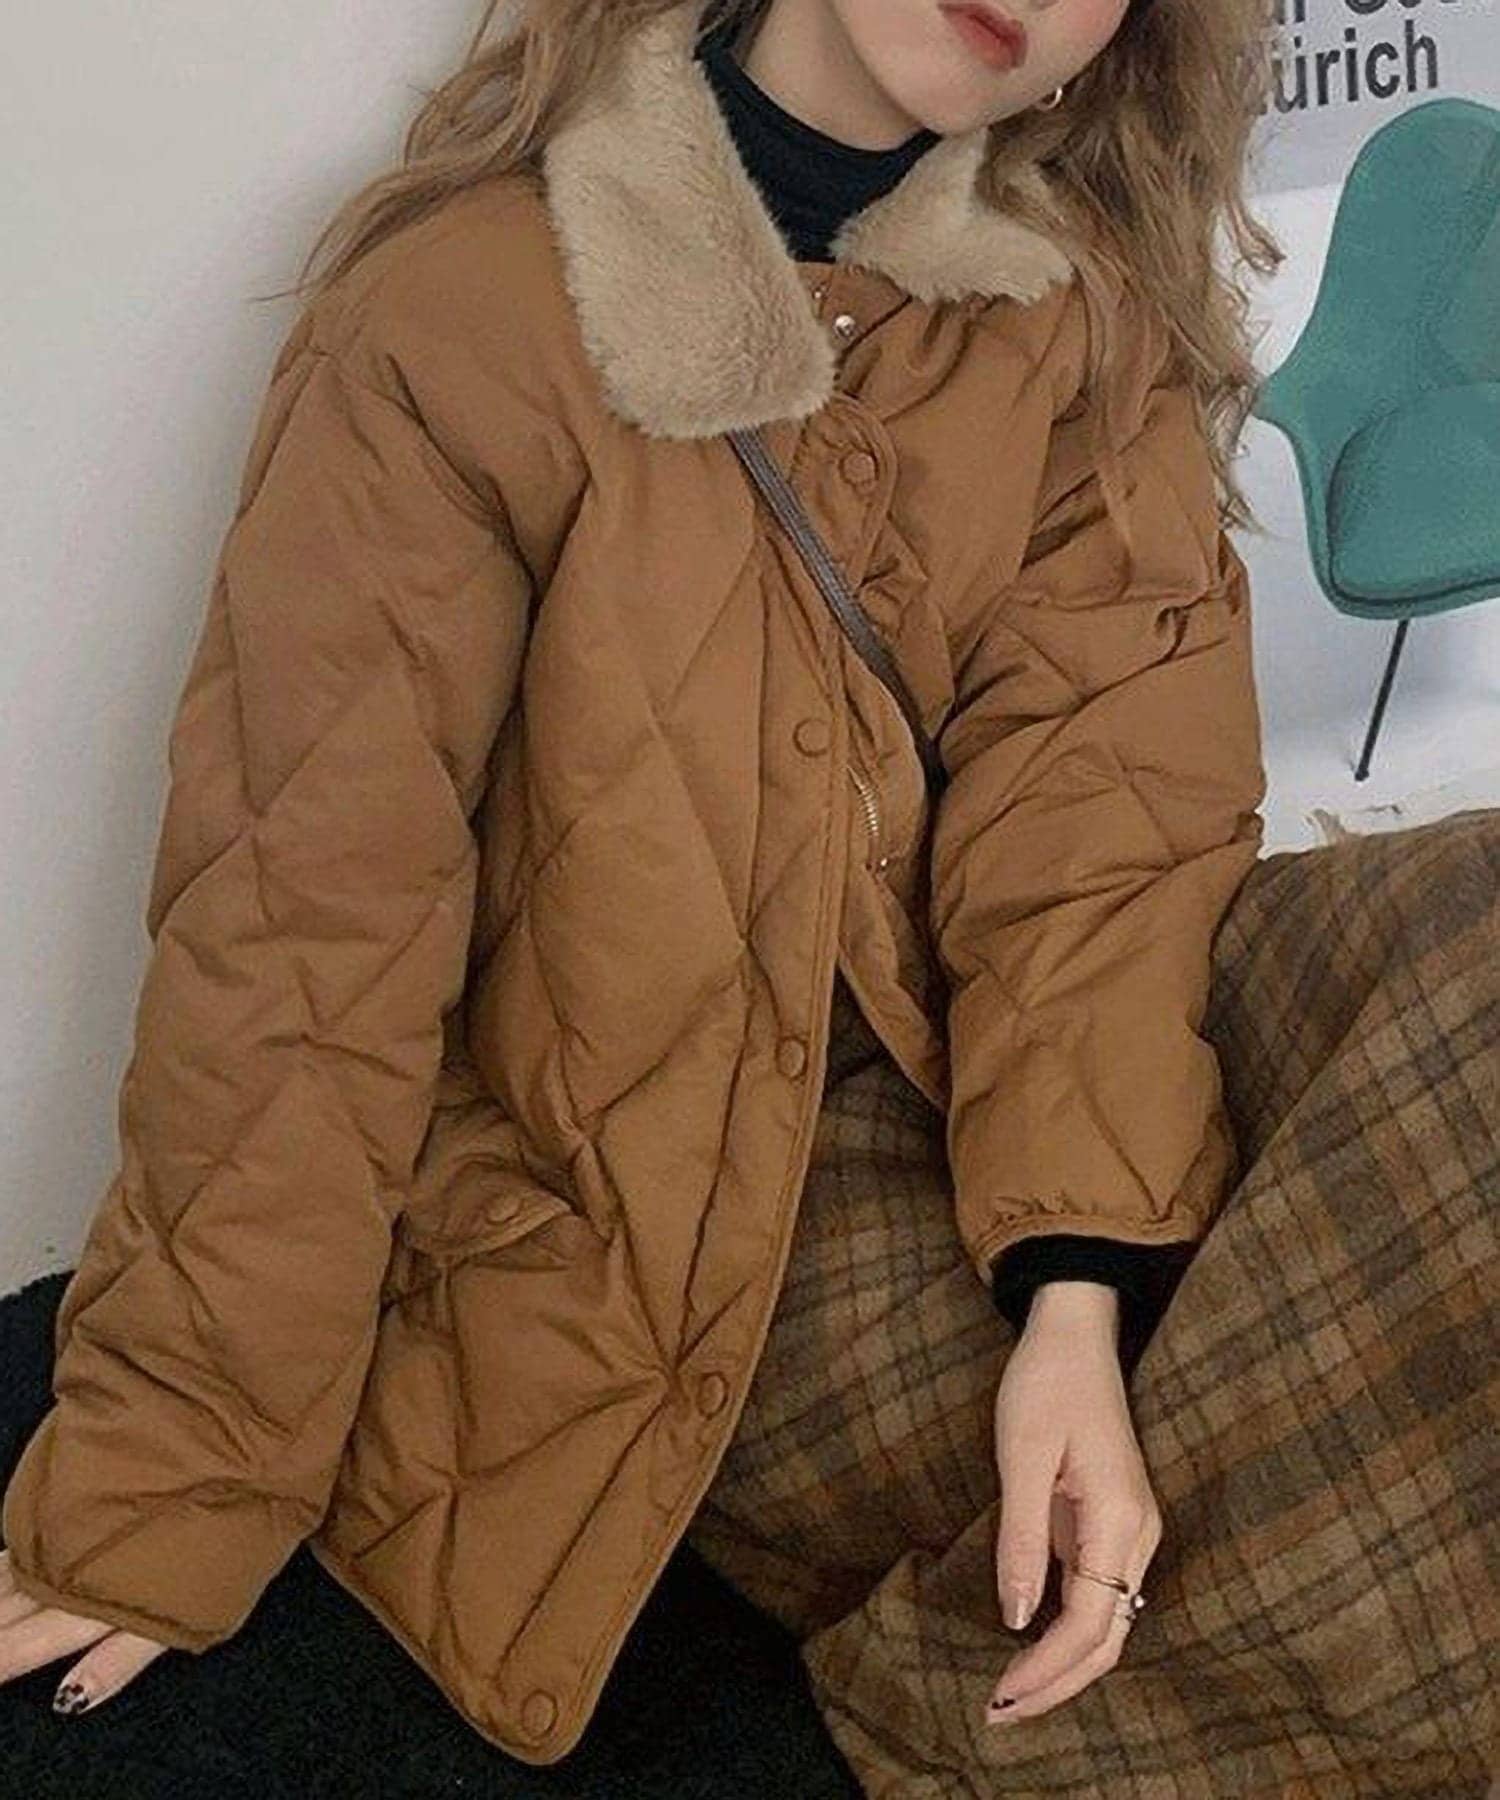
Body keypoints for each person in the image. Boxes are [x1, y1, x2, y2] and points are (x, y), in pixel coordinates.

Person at [4, 1, 1496, 1792]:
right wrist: (171, 1475)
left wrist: (1078, 1293)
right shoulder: (463, 313)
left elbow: (1098, 850)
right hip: (696, 1195)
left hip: (1044, 1102)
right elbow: (308, 930)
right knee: (1346, 1441)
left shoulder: (1076, 323)